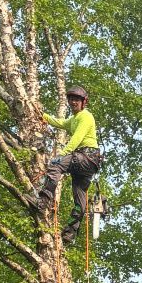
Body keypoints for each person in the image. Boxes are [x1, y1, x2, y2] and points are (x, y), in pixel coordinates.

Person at [36, 83, 101, 240]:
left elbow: (77, 137)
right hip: (88, 164)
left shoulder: (86, 116)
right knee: (80, 197)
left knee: (55, 165)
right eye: (71, 99)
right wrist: (43, 116)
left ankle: (43, 200)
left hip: (85, 157)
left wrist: (62, 154)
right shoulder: (73, 119)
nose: (73, 102)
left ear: (84, 102)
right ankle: (70, 232)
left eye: (76, 100)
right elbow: (59, 122)